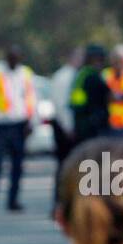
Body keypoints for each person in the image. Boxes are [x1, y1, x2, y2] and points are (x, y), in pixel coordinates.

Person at [0, 46, 36, 213]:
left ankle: (13, 200)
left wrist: (32, 121)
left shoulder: (26, 74)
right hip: (1, 125)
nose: (14, 60)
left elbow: (32, 98)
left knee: (17, 166)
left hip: (19, 124)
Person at [68, 43, 111, 144]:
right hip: (93, 127)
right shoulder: (93, 76)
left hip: (82, 124)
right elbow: (109, 96)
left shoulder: (81, 74)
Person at [49, 46, 81, 174]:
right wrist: (68, 127)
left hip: (68, 126)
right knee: (65, 165)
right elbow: (61, 104)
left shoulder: (77, 75)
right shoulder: (63, 76)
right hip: (64, 127)